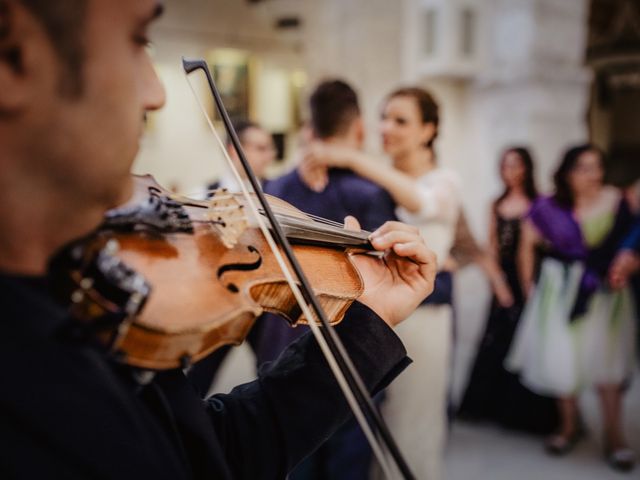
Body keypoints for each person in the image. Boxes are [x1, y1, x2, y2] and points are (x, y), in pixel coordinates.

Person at [0, 2, 438, 479]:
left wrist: (364, 326)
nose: (156, 94)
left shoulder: (75, 291)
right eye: (136, 42)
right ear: (14, 57)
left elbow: (204, 456)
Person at [302, 86, 461, 480]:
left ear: (429, 130)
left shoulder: (445, 181)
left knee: (410, 427)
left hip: (423, 320)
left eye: (401, 120)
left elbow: (421, 203)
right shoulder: (371, 179)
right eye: (384, 117)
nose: (386, 127)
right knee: (368, 428)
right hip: (376, 311)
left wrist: (352, 157)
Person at [257, 79, 397, 480]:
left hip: (282, 343)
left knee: (294, 461)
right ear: (358, 130)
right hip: (349, 352)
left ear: (310, 128)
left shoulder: (274, 189)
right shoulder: (368, 193)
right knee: (346, 465)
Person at [506, 144, 637, 472]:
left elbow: (631, 244)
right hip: (559, 292)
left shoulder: (616, 201)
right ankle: (569, 426)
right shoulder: (548, 206)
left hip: (604, 294)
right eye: (584, 168)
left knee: (608, 361)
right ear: (567, 172)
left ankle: (615, 435)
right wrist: (529, 288)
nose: (594, 175)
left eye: (598, 167)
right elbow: (526, 246)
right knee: (563, 359)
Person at [458, 147, 558, 434]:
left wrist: (532, 286)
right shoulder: (496, 203)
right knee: (496, 340)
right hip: (503, 279)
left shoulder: (539, 203)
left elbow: (542, 246)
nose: (511, 171)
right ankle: (492, 409)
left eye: (516, 164)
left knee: (528, 341)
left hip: (532, 278)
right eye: (506, 165)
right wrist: (498, 284)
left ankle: (527, 415)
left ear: (527, 167)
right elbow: (490, 248)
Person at [188, 119, 276, 396]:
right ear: (235, 151)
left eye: (269, 148)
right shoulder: (202, 196)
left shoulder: (278, 195)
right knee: (197, 378)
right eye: (260, 148)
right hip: (220, 302)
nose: (269, 156)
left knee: (275, 374)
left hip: (266, 302)